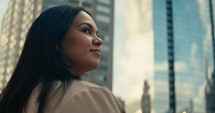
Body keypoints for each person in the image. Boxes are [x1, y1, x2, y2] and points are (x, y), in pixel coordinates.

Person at [0, 5, 125, 113]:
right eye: (86, 30)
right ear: (56, 40)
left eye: (97, 34)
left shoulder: (16, 102)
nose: (99, 41)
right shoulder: (91, 96)